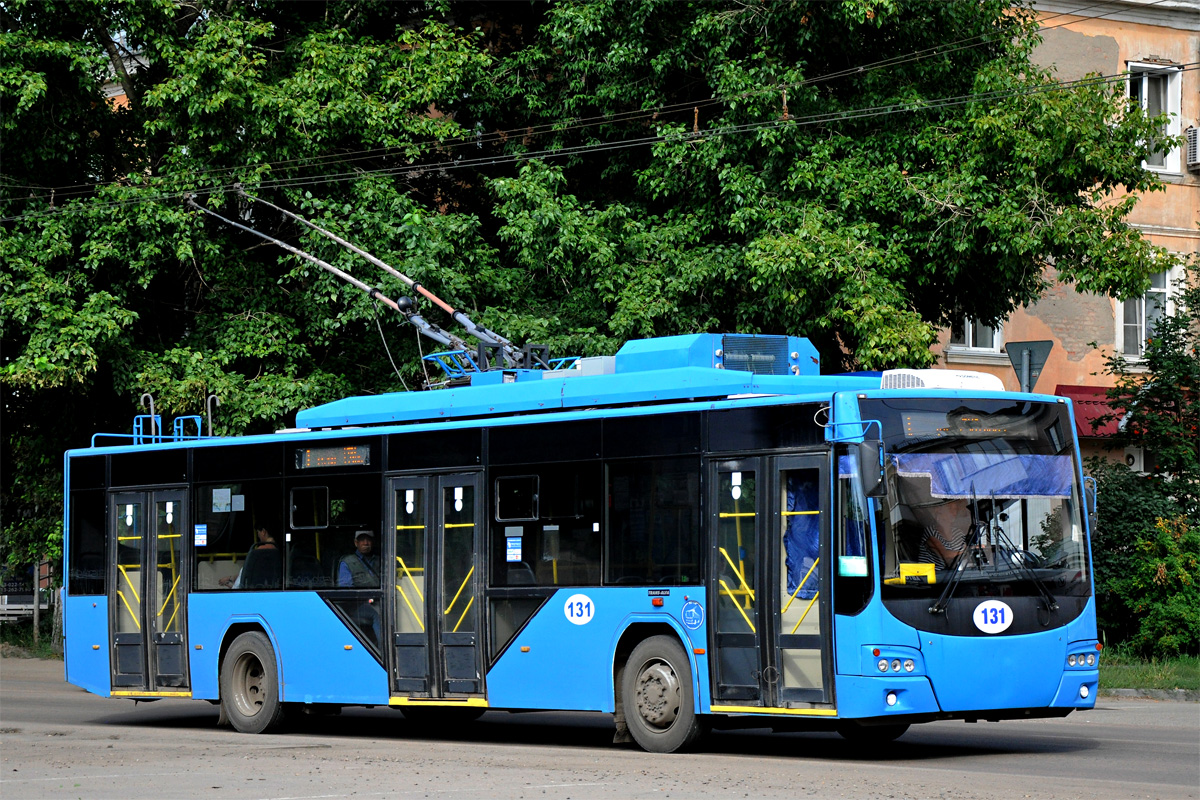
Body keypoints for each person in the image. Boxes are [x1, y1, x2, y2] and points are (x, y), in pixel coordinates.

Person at [915, 498, 972, 569]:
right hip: (933, 575)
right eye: (949, 509)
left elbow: (964, 555)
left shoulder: (958, 533)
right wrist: (968, 550)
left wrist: (973, 549)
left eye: (955, 509)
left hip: (956, 574)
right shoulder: (930, 532)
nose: (953, 512)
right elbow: (946, 555)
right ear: (939, 510)